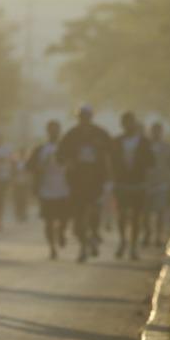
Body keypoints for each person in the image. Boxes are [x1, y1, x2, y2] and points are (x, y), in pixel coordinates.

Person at [58, 105, 113, 262]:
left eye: (86, 116)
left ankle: (94, 235)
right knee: (77, 217)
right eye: (81, 117)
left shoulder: (100, 134)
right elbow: (60, 155)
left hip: (96, 179)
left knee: (94, 210)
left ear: (91, 117)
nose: (84, 120)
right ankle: (84, 244)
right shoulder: (71, 135)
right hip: (76, 180)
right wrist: (69, 161)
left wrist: (109, 172)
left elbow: (113, 152)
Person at [111, 111, 155, 260]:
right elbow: (110, 161)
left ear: (134, 123)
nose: (128, 125)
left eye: (130, 122)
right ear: (122, 124)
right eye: (125, 122)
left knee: (136, 216)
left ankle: (133, 246)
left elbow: (151, 162)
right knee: (122, 214)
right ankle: (123, 240)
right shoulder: (116, 141)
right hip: (121, 183)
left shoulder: (143, 142)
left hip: (138, 183)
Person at [28, 120, 72, 259]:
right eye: (51, 130)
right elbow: (28, 166)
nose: (54, 133)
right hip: (46, 190)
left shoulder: (66, 148)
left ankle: (61, 232)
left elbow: (74, 165)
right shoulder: (40, 149)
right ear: (47, 132)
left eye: (56, 130)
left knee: (64, 218)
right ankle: (52, 248)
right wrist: (39, 168)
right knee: (48, 220)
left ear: (59, 132)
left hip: (64, 189)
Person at [146, 122, 170, 247]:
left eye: (158, 131)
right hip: (146, 183)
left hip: (162, 183)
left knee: (160, 211)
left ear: (161, 132)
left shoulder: (167, 148)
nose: (155, 133)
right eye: (153, 131)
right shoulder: (145, 146)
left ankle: (158, 236)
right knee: (145, 212)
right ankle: (147, 234)